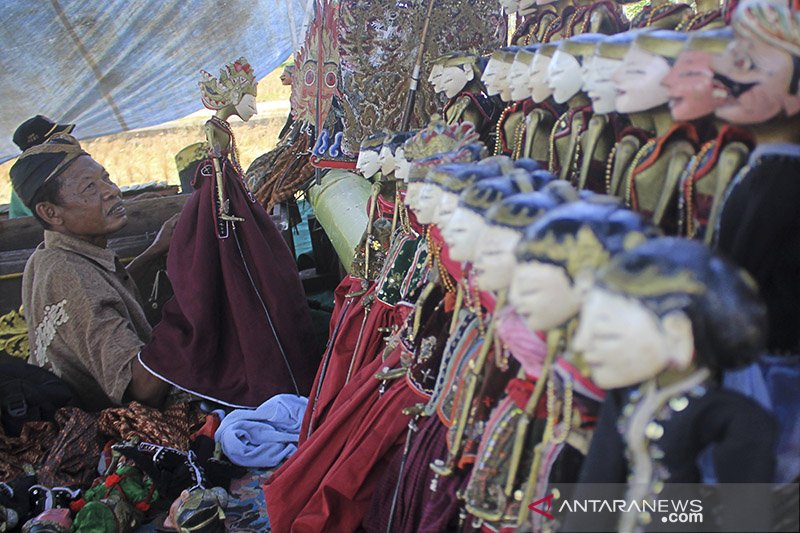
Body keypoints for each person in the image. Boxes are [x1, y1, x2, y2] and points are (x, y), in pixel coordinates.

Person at [10, 133, 176, 410]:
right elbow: (143, 390)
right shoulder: (69, 274)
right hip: (103, 428)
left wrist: (155, 251)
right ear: (51, 213)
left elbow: (103, 293)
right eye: (89, 188)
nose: (112, 190)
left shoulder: (46, 256)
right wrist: (192, 312)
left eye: (106, 178)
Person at [9, 115, 75, 218]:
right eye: (58, 140)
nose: (66, 141)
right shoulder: (30, 177)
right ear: (42, 148)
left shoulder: (62, 166)